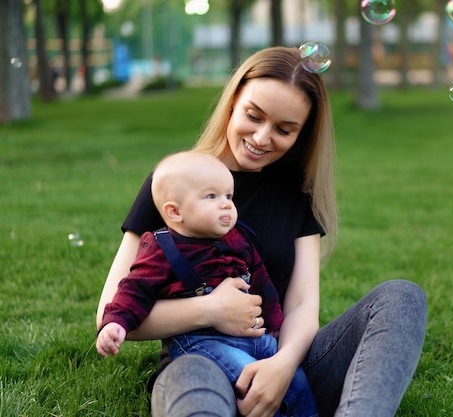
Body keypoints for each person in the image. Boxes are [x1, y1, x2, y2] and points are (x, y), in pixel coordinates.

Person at [97, 46, 428, 417]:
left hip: (284, 360)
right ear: (233, 101)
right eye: (254, 116)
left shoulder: (296, 194)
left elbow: (302, 303)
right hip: (203, 362)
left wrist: (283, 367)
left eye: (284, 129)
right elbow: (110, 313)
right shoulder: (174, 183)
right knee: (189, 378)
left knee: (401, 298)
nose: (262, 137)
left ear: (302, 134)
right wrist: (211, 309)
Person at [96, 151, 317, 417]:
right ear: (174, 212)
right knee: (252, 382)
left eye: (228, 196)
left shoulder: (240, 239)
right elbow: (134, 289)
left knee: (296, 381)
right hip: (203, 342)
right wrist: (116, 322)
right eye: (212, 197)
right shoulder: (161, 249)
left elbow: (262, 285)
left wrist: (275, 326)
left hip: (256, 338)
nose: (226, 205)